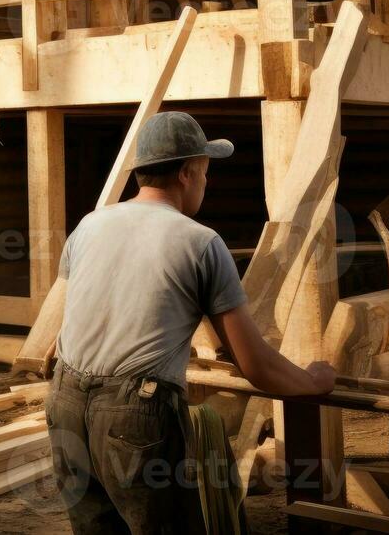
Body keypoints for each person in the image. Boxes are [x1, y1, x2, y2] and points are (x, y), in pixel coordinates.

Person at [47, 111, 336, 534]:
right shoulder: (200, 242)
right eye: (204, 172)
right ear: (186, 173)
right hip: (134, 416)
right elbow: (255, 365)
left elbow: (69, 328)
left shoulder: (89, 226)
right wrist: (313, 381)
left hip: (64, 402)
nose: (206, 182)